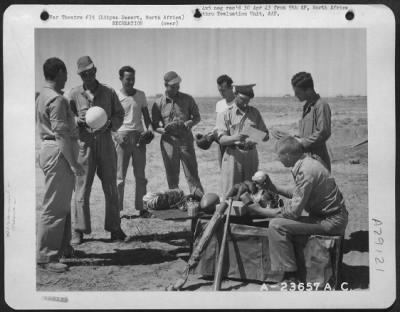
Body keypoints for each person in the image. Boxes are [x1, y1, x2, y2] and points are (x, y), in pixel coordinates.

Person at [248, 136, 348, 286]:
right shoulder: (308, 163)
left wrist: (259, 211)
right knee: (281, 222)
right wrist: (272, 188)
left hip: (331, 221)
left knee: (276, 225)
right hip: (330, 217)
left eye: (279, 156)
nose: (279, 160)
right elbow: (298, 193)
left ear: (288, 155)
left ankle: (290, 277)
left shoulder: (306, 171)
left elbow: (293, 213)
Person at [67, 56, 126, 245]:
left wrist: (110, 123)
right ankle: (79, 231)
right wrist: (77, 121)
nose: (88, 76)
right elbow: (66, 117)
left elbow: (119, 114)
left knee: (111, 187)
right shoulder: (74, 94)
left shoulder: (108, 92)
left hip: (106, 144)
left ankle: (115, 228)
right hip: (84, 145)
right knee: (81, 189)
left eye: (91, 72)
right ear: (80, 75)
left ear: (96, 70)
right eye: (84, 73)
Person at [36, 57, 84, 272]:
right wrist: (73, 163)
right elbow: (60, 134)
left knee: (61, 205)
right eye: (66, 73)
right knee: (55, 207)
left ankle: (63, 248)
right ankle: (46, 256)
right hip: (58, 152)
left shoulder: (42, 96)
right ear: (60, 72)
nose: (68, 77)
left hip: (48, 149)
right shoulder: (58, 99)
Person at [152, 71, 204, 195]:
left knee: (192, 174)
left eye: (178, 86)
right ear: (166, 85)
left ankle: (199, 202)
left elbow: (197, 117)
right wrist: (163, 130)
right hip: (168, 142)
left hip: (186, 140)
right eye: (173, 87)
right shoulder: (158, 103)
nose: (177, 89)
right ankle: (175, 202)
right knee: (172, 176)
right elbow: (154, 126)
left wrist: (189, 123)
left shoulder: (188, 99)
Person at [113, 66, 153, 218]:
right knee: (119, 178)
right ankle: (116, 210)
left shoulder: (141, 95)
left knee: (140, 176)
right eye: (127, 79)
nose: (130, 82)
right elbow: (109, 120)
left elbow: (147, 118)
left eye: (133, 79)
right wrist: (116, 136)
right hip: (122, 138)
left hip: (138, 138)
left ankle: (142, 208)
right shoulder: (115, 95)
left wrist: (149, 131)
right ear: (121, 79)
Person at [271, 72, 332, 171]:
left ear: (308, 90)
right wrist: (291, 138)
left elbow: (323, 133)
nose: (295, 95)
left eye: (298, 92)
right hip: (307, 160)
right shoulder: (307, 107)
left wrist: (301, 142)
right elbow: (308, 135)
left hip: (318, 161)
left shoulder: (321, 105)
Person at [216, 84, 269, 197]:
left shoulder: (255, 113)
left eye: (248, 100)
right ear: (235, 95)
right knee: (230, 192)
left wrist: (254, 138)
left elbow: (266, 136)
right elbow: (221, 140)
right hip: (233, 156)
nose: (245, 103)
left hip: (251, 155)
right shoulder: (226, 114)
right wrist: (236, 137)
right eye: (242, 99)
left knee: (251, 190)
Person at [215, 75, 236, 166]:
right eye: (220, 90)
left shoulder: (239, 103)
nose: (221, 93)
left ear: (231, 88)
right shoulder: (219, 104)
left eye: (223, 90)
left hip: (236, 146)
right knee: (224, 172)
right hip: (222, 145)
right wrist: (210, 137)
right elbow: (218, 126)